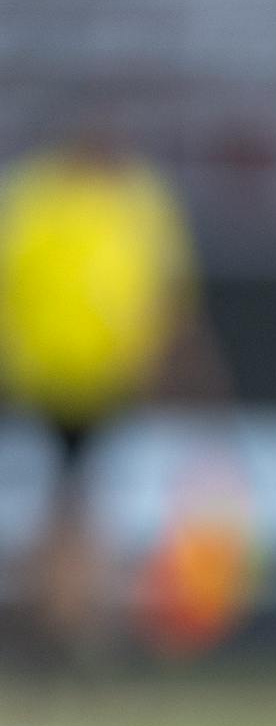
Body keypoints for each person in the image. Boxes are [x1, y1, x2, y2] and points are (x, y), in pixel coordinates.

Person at [0, 127, 224, 664]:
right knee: (70, 508)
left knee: (75, 507)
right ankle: (67, 620)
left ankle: (66, 620)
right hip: (50, 380)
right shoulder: (52, 198)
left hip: (93, 382)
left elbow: (164, 295)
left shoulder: (119, 200)